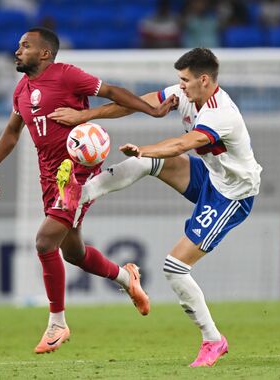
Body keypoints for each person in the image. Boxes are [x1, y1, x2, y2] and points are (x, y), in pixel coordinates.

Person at [49, 47, 262, 367]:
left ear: (205, 80)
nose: (180, 86)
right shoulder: (184, 93)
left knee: (174, 268)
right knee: (147, 163)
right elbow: (137, 103)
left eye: (186, 80)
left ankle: (213, 340)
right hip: (211, 174)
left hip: (232, 195)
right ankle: (82, 194)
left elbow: (181, 144)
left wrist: (144, 148)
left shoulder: (222, 114)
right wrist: (84, 116)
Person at [0, 27, 177, 354]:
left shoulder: (68, 75)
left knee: (44, 241)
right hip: (50, 178)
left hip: (77, 171)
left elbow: (113, 92)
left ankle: (57, 323)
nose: (18, 51)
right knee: (73, 253)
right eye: (18, 46)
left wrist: (153, 111)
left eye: (25, 46)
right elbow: (13, 132)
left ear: (45, 53)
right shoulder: (20, 90)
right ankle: (127, 279)